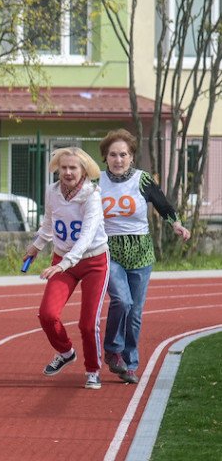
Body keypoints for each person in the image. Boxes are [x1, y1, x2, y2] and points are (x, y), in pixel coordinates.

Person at [98, 129, 191, 384]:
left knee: (135, 312)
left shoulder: (142, 180)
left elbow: (163, 205)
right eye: (113, 155)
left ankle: (130, 364)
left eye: (124, 155)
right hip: (109, 251)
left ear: (132, 157)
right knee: (122, 302)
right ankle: (113, 350)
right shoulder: (96, 181)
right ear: (105, 157)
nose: (118, 160)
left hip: (140, 252)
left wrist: (176, 224)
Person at [24, 147, 109, 390]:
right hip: (63, 261)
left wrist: (65, 263)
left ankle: (92, 369)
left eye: (73, 167)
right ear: (57, 169)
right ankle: (66, 351)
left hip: (93, 261)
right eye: (64, 167)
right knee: (48, 314)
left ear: (84, 170)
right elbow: (49, 222)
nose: (68, 172)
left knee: (87, 323)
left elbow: (87, 235)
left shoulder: (92, 194)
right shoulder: (52, 191)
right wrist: (37, 245)